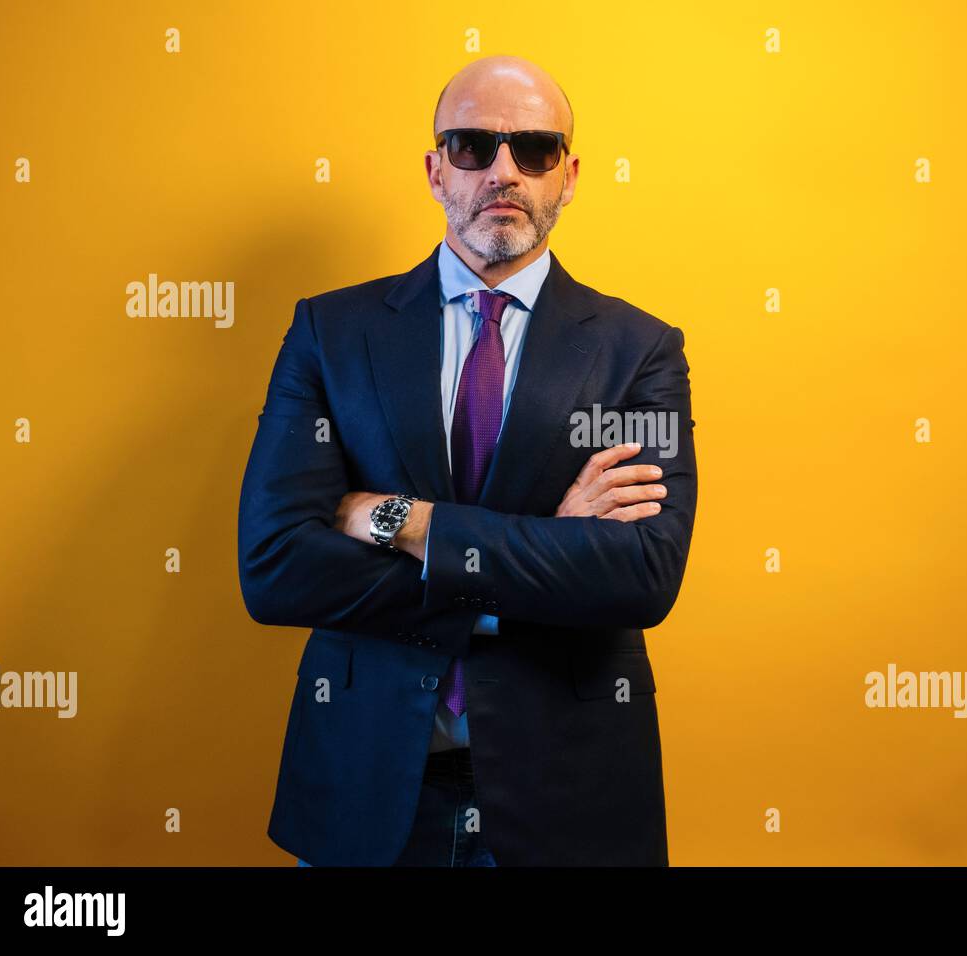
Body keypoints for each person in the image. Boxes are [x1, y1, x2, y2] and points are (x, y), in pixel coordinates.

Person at [237, 54, 697, 866]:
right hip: (366, 782)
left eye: (536, 149)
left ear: (571, 174)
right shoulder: (332, 333)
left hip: (570, 792)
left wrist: (395, 519)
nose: (504, 171)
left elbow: (640, 576)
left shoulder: (639, 352)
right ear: (435, 169)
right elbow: (275, 568)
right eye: (473, 145)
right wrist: (545, 551)